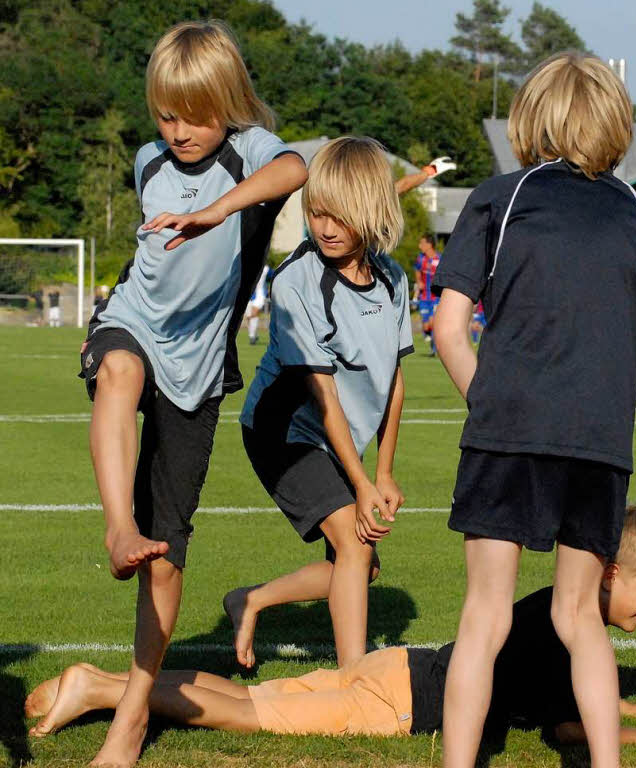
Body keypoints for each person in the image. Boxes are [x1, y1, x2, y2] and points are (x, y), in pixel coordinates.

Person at [77, 20, 307, 766]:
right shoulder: (148, 160)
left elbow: (296, 170)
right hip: (132, 319)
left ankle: (134, 712)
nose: (176, 132)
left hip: (200, 366)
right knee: (117, 369)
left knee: (167, 556)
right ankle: (117, 527)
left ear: (229, 101)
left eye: (195, 115)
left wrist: (219, 209)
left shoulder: (251, 152)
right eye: (165, 114)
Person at [431, 52, 636, 768]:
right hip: (599, 441)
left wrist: (494, 407)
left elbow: (446, 328)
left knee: (484, 615)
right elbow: (625, 337)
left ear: (533, 117)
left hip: (510, 434)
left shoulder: (500, 196)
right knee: (578, 617)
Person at [26, 506, 636, 749]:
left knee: (255, 698)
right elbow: (567, 725)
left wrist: (623, 702)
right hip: (399, 702)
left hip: (399, 668)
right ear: (607, 572)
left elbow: (568, 696)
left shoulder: (558, 608)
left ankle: (106, 681)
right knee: (247, 718)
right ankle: (103, 691)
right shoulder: (569, 630)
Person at [237, 136, 412, 670]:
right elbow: (324, 393)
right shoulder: (296, 283)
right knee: (355, 544)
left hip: (336, 436)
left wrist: (383, 474)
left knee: (363, 565)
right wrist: (358, 486)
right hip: (284, 430)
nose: (326, 227)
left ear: (371, 212)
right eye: (316, 213)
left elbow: (393, 378)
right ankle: (354, 682)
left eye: (340, 216)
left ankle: (252, 600)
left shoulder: (392, 278)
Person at [414, 234, 441, 354]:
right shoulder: (421, 258)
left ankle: (434, 349)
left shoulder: (440, 259)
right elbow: (417, 270)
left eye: (422, 243)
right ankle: (431, 341)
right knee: (426, 326)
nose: (420, 246)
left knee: (432, 323)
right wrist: (419, 281)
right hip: (424, 297)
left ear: (429, 245)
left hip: (436, 297)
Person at [245, 265, 271, 345]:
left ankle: (252, 337)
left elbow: (275, 275)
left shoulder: (266, 269)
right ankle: (254, 334)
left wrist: (270, 288)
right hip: (249, 296)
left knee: (254, 313)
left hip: (260, 295)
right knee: (248, 317)